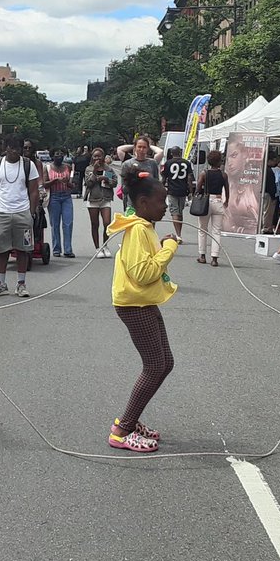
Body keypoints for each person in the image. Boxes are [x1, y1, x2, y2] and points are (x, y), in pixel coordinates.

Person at [105, 164, 180, 453]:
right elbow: (143, 273)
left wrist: (162, 245)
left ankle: (130, 420)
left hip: (143, 301)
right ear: (143, 203)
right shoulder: (137, 230)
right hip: (134, 304)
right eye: (161, 202)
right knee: (155, 365)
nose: (165, 207)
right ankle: (122, 430)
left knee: (165, 362)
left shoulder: (145, 227)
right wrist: (169, 248)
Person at [0, 135, 39, 298]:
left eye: (17, 148)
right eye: (11, 148)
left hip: (22, 212)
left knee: (23, 250)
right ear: (5, 149)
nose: (14, 151)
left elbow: (34, 191)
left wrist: (31, 212)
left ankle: (21, 284)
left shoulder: (28, 165)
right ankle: (0, 284)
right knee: (1, 250)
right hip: (1, 212)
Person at [196, 150, 229, 267]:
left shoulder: (204, 173)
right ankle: (214, 258)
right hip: (219, 201)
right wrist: (226, 201)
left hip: (206, 201)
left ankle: (202, 255)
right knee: (216, 231)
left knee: (202, 229)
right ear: (219, 161)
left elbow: (198, 188)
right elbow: (227, 189)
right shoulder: (223, 175)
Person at [84, 148, 117, 258]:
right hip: (93, 199)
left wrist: (106, 179)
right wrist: (94, 171)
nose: (97, 158)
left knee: (107, 223)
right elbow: (88, 183)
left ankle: (105, 246)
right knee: (95, 224)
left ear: (103, 157)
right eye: (95, 156)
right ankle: (97, 248)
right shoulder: (89, 169)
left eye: (99, 156)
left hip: (105, 199)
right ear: (92, 158)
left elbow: (115, 183)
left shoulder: (109, 169)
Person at [117, 136, 164, 212]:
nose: (141, 150)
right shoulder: (127, 164)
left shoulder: (152, 163)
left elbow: (156, 183)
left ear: (148, 149)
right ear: (135, 148)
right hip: (132, 204)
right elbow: (124, 188)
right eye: (139, 147)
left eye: (144, 147)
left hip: (148, 203)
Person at [45, 147, 75, 258]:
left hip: (66, 197)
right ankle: (56, 249)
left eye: (61, 154)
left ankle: (68, 249)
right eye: (56, 154)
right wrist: (55, 180)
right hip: (54, 197)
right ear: (52, 156)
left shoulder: (68, 167)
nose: (59, 156)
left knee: (68, 223)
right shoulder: (47, 168)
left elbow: (73, 185)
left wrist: (68, 183)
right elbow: (44, 183)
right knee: (55, 224)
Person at [162, 146, 195, 240]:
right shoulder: (186, 163)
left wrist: (161, 188)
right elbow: (189, 178)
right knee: (180, 212)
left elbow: (164, 177)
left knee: (174, 212)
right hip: (183, 190)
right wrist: (191, 191)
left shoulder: (168, 163)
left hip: (172, 190)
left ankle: (178, 234)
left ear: (171, 153)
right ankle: (179, 233)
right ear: (180, 152)